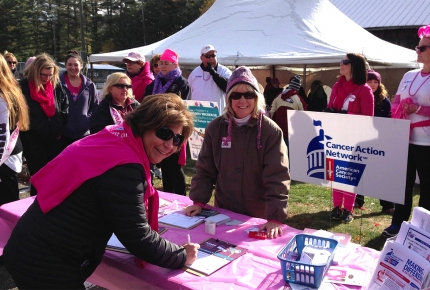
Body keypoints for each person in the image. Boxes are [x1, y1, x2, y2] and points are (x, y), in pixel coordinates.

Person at [3, 93, 199, 289]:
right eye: (164, 133)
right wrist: (180, 255)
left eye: (177, 139)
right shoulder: (124, 164)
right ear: (143, 125)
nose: (170, 144)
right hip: (47, 264)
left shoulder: (115, 138)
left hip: (35, 249)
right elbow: (138, 237)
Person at [184, 66, 290, 239]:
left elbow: (277, 176)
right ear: (228, 99)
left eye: (248, 94)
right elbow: (205, 168)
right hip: (224, 211)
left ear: (256, 98)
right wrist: (199, 201)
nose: (242, 100)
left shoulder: (271, 131)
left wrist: (274, 217)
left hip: (258, 214)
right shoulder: (215, 128)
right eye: (236, 95)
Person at [383, 25, 430, 237]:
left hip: (427, 143)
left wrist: (418, 108)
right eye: (418, 47)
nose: (417, 51)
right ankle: (398, 223)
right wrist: (399, 109)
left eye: (422, 48)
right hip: (405, 139)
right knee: (402, 185)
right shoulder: (409, 74)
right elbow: (396, 101)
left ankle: (422, 229)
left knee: (427, 190)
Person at [325, 53, 374, 223]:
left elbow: (368, 117)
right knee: (335, 171)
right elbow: (331, 106)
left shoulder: (364, 89)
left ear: (354, 65)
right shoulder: (337, 86)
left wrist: (346, 114)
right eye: (341, 61)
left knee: (349, 174)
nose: (341, 64)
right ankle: (337, 206)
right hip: (336, 135)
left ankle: (348, 209)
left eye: (345, 61)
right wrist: (329, 112)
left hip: (353, 137)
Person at [19, 53, 69, 196]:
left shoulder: (55, 86)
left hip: (54, 138)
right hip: (32, 139)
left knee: (53, 175)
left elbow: (64, 107)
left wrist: (59, 126)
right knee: (38, 176)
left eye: (50, 75)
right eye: (44, 75)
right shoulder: (23, 86)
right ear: (35, 71)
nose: (47, 78)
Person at [144, 48, 190, 195]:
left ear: (175, 65)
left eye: (167, 63)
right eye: (161, 63)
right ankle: (168, 195)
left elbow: (183, 106)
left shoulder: (181, 83)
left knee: (175, 165)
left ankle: (181, 197)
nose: (163, 66)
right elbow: (146, 101)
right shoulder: (155, 83)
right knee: (164, 163)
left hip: (175, 129)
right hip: (158, 128)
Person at [0, 54, 29, 205]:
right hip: (10, 151)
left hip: (5, 154)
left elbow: (2, 132)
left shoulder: (3, 96)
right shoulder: (10, 90)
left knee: (7, 202)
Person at [365, 69, 395, 215]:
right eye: (369, 81)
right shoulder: (362, 96)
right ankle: (357, 199)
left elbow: (388, 120)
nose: (372, 84)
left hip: (379, 140)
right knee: (360, 169)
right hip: (363, 139)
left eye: (375, 82)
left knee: (381, 172)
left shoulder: (384, 100)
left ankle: (387, 204)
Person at [60, 50, 98, 149]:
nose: (73, 67)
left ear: (81, 66)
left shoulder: (89, 85)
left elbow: (95, 107)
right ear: (65, 65)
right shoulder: (57, 83)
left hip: (84, 134)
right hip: (63, 134)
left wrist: (86, 120)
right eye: (70, 64)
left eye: (76, 65)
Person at [188, 44, 231, 114]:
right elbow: (188, 92)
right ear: (201, 58)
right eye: (208, 56)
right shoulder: (194, 73)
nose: (211, 58)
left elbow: (228, 87)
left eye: (213, 56)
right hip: (199, 116)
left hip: (218, 116)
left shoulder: (224, 71)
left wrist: (213, 72)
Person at [270, 75, 305, 147]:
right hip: (292, 132)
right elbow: (304, 116)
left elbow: (271, 112)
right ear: (297, 89)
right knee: (290, 155)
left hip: (278, 130)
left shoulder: (278, 96)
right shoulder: (299, 99)